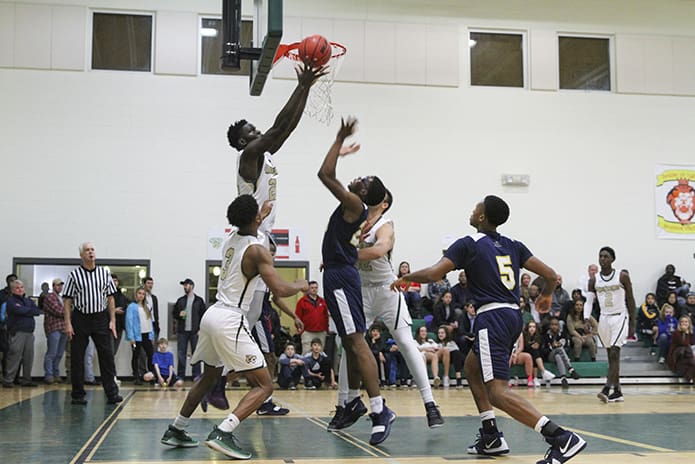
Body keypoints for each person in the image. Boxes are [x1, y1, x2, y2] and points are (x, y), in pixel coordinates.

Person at [391, 195, 586, 464]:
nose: (472, 210)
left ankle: (561, 437)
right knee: (472, 368)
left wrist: (405, 277)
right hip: (512, 316)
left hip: (491, 317)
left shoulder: (468, 244)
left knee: (497, 391)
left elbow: (435, 274)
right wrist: (547, 296)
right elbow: (551, 276)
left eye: (476, 207)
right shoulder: (513, 245)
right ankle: (491, 435)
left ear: (482, 217)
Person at [160, 194, 308, 460]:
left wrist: (260, 212)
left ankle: (176, 428)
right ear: (256, 219)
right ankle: (223, 431)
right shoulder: (258, 251)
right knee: (264, 385)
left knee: (208, 378)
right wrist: (302, 285)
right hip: (230, 318)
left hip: (211, 314)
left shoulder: (231, 238)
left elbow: (251, 228)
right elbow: (279, 289)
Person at [317, 116, 396, 446]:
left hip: (341, 277)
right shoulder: (353, 203)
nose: (356, 178)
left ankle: (379, 410)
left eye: (362, 179)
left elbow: (324, 174)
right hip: (337, 274)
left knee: (357, 341)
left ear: (363, 192)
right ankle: (352, 402)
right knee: (350, 342)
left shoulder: (354, 203)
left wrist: (338, 141)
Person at [350, 187, 443, 426]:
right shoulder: (356, 218)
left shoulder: (385, 224)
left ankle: (430, 403)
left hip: (386, 289)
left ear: (384, 204)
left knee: (405, 342)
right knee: (351, 341)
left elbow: (380, 248)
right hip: (362, 289)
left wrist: (345, 255)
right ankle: (346, 403)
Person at [62, 242, 122, 405]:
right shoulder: (74, 275)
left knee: (107, 356)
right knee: (77, 357)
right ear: (81, 255)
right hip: (80, 318)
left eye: (92, 249)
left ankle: (111, 393)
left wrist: (112, 321)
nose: (90, 252)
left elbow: (110, 298)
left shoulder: (104, 273)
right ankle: (77, 394)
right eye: (87, 250)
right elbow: (67, 301)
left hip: (100, 318)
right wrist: (68, 323)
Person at [587, 246, 636, 403]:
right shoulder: (594, 280)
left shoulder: (622, 276)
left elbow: (631, 300)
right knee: (611, 356)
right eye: (601, 256)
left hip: (620, 316)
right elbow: (589, 301)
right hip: (604, 318)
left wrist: (633, 323)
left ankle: (606, 389)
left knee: (615, 352)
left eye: (606, 256)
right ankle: (618, 391)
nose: (603, 259)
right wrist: (586, 318)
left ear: (612, 259)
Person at [2, 279, 41, 388]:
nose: (20, 289)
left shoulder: (28, 300)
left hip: (29, 333)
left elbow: (37, 311)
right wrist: (28, 310)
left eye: (22, 287)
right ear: (13, 290)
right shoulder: (10, 301)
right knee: (14, 357)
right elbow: (17, 310)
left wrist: (25, 310)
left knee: (29, 357)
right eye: (17, 288)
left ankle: (26, 380)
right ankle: (8, 380)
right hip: (17, 333)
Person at [173, 278, 206, 380]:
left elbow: (203, 316)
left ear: (191, 286)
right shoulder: (180, 300)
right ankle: (181, 376)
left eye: (186, 285)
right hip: (182, 331)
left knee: (196, 354)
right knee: (181, 354)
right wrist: (179, 314)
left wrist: (201, 329)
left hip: (195, 331)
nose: (185, 287)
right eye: (184, 285)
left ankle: (196, 375)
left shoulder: (199, 301)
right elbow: (174, 314)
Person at [126, 287, 155, 384]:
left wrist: (151, 334)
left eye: (143, 294)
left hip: (146, 334)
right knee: (136, 356)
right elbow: (129, 323)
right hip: (137, 336)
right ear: (136, 294)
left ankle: (151, 375)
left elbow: (150, 321)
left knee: (150, 354)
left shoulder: (147, 306)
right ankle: (136, 376)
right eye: (139, 293)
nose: (141, 295)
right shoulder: (132, 306)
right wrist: (131, 337)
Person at [542, 316, 580, 388]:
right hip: (550, 356)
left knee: (558, 356)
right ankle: (570, 369)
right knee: (559, 349)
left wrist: (559, 349)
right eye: (552, 324)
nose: (554, 326)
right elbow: (543, 351)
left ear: (559, 326)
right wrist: (552, 347)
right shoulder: (546, 335)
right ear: (550, 326)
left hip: (559, 356)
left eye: (556, 325)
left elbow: (567, 348)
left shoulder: (563, 334)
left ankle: (563, 378)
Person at [43, 278, 67, 384]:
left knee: (59, 353)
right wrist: (69, 311)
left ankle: (56, 374)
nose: (60, 287)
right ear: (53, 286)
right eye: (58, 285)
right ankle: (49, 375)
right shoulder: (50, 297)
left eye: (61, 285)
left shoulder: (61, 298)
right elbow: (59, 311)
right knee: (52, 353)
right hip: (54, 328)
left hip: (63, 328)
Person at [295, 281, 329, 355]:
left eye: (316, 288)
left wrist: (326, 330)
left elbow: (326, 317)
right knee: (306, 353)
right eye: (312, 288)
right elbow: (297, 317)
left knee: (320, 354)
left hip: (321, 332)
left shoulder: (322, 301)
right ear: (308, 289)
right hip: (307, 332)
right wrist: (300, 330)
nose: (314, 289)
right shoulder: (302, 302)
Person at [667, 315, 695, 383]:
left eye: (686, 322)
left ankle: (690, 377)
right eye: (682, 322)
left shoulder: (691, 333)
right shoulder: (676, 333)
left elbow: (691, 344)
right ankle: (689, 377)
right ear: (679, 324)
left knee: (689, 352)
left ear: (689, 323)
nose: (684, 323)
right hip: (677, 357)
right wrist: (686, 333)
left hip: (687, 356)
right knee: (686, 349)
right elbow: (684, 343)